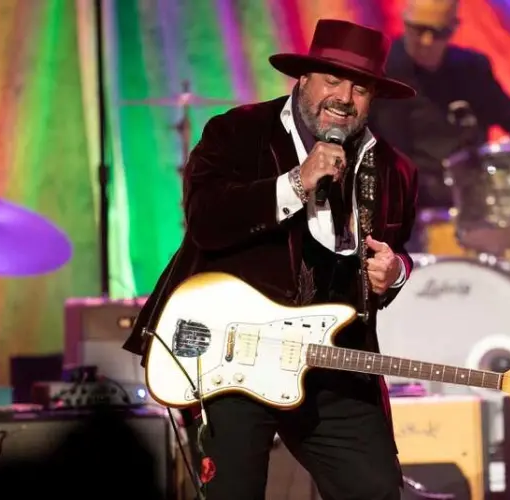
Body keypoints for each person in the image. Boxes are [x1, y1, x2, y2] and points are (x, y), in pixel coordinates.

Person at [122, 19, 419, 500]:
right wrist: (297, 183)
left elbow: (394, 251)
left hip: (333, 358)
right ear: (303, 80)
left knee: (376, 489)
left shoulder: (395, 169)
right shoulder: (237, 133)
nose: (344, 97)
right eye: (332, 80)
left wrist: (395, 272)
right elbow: (206, 220)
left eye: (360, 88)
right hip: (234, 355)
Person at [369, 0, 510, 208]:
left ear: (454, 29)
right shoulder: (378, 73)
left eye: (438, 32)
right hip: (404, 205)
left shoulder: (472, 69)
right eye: (419, 29)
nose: (427, 41)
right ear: (405, 22)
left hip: (473, 199)